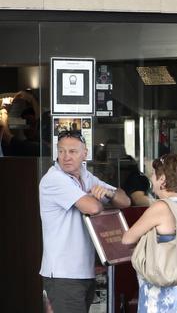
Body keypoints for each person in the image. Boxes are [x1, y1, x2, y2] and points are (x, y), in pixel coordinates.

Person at [40, 130, 130, 313]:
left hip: (83, 272)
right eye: (61, 151)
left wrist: (109, 193)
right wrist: (97, 198)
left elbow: (125, 201)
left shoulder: (86, 176)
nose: (66, 157)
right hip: (63, 275)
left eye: (72, 151)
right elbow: (93, 208)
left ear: (85, 154)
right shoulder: (54, 178)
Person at [122, 154, 177, 312]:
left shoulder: (161, 207)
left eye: (154, 174)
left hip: (160, 291)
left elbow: (127, 238)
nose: (151, 178)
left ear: (162, 179)